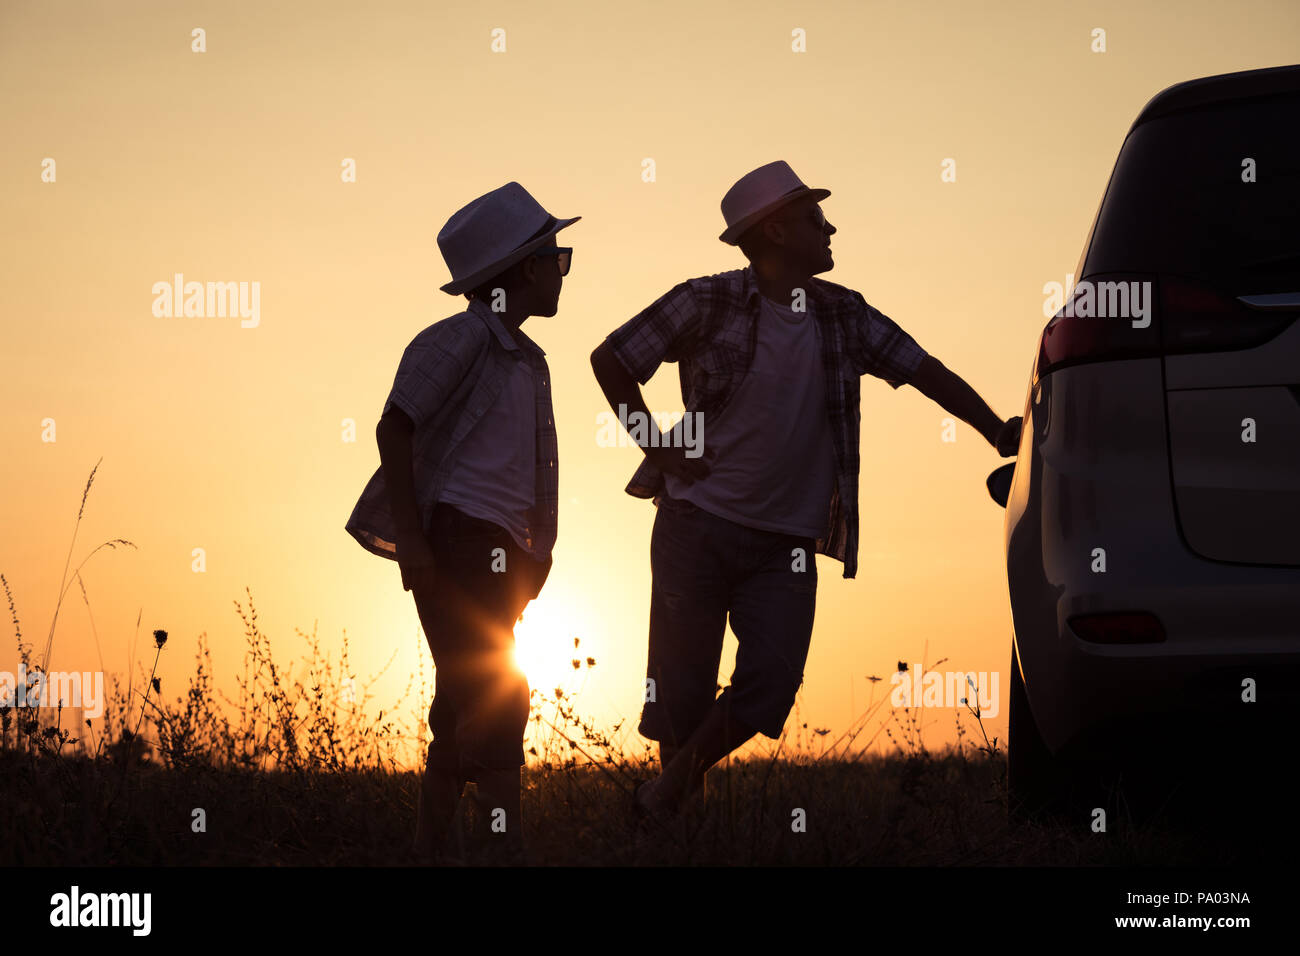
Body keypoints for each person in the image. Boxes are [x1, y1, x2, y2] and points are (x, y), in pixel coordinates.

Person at [590, 160, 1020, 816]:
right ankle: (675, 834)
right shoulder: (706, 300)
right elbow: (612, 358)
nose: (831, 227)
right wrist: (651, 439)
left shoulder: (844, 315)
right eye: (817, 218)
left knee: (771, 684)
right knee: (679, 700)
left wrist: (995, 430)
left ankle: (664, 794)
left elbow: (926, 371)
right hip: (693, 528)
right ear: (778, 231)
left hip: (784, 544)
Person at [346, 181, 578, 859]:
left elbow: (525, 473)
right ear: (526, 268)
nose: (562, 272)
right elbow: (395, 428)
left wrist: (535, 557)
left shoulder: (527, 361)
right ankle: (501, 850)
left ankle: (429, 849)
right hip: (456, 539)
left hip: (502, 550)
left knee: (459, 703)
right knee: (500, 692)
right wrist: (414, 540)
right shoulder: (458, 340)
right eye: (556, 259)